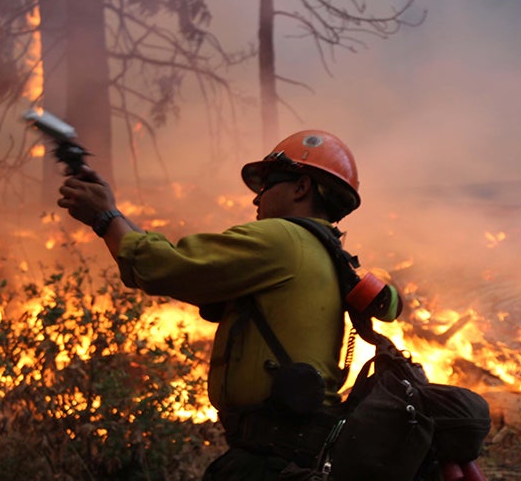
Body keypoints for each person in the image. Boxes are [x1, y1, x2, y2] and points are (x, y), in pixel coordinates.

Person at [57, 129, 401, 480]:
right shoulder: (321, 251)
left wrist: (104, 219)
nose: (257, 199)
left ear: (301, 188)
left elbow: (166, 267)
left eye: (268, 185)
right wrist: (112, 210)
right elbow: (176, 260)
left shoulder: (281, 239)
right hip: (291, 456)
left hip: (268, 463)